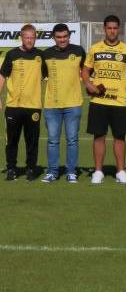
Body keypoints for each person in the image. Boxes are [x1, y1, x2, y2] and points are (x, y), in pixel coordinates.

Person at [81, 15, 126, 185]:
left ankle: (120, 171)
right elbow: (85, 71)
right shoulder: (95, 49)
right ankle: (98, 172)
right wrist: (89, 85)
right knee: (99, 136)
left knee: (120, 137)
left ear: (118, 29)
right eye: (109, 28)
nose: (112, 31)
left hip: (119, 100)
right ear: (104, 29)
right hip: (99, 101)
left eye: (115, 28)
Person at [1, 24, 47, 181]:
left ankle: (30, 169)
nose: (29, 40)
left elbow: (47, 76)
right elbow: (2, 76)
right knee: (12, 140)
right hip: (13, 106)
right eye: (27, 37)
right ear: (21, 37)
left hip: (33, 106)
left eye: (32, 37)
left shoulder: (40, 56)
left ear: (35, 38)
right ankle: (11, 169)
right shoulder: (12, 54)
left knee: (32, 141)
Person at [42, 23, 85, 183]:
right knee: (53, 140)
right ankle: (52, 172)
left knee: (72, 139)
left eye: (65, 36)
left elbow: (86, 72)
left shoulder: (79, 51)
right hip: (52, 105)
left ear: (69, 36)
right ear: (54, 37)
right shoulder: (46, 54)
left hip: (73, 104)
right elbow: (42, 75)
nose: (62, 40)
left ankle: (71, 171)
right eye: (59, 37)